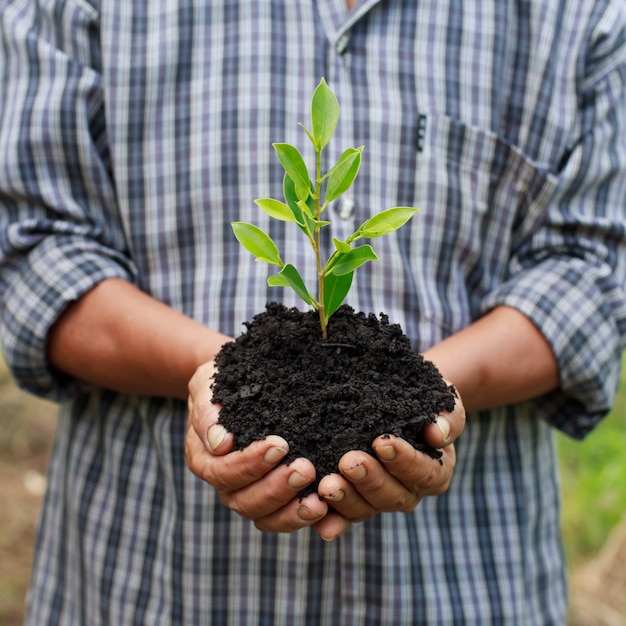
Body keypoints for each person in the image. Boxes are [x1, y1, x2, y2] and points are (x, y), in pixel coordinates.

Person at [1, 0, 625, 624]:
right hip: (148, 582)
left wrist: (423, 400)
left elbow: (590, 274)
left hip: (463, 588)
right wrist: (217, 374)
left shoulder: (576, 15)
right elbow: (35, 249)